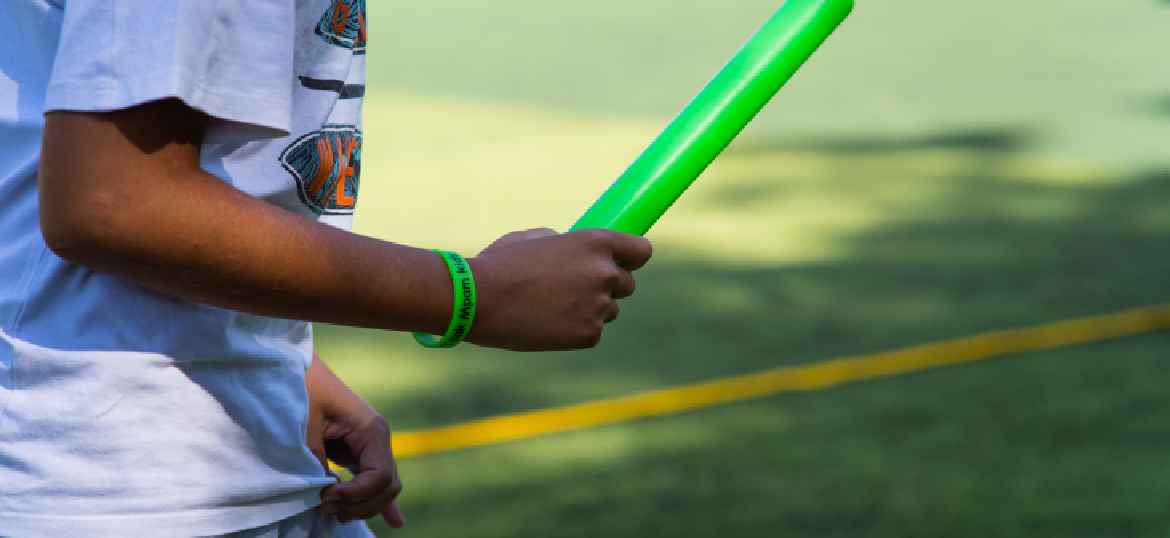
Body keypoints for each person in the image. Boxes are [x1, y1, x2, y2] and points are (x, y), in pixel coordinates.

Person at [0, 1, 653, 536]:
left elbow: (36, 146)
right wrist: (470, 294)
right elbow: (113, 203)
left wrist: (268, 350)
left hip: (203, 451)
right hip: (120, 490)